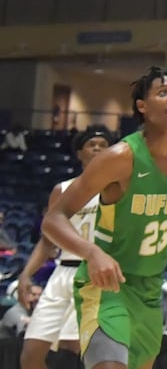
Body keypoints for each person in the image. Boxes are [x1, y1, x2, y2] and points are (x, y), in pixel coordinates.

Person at [41, 67, 167, 369]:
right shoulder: (119, 157)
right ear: (142, 106)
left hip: (149, 288)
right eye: (164, 93)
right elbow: (53, 219)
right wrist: (92, 253)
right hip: (106, 286)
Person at [19, 125, 115, 369]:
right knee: (30, 356)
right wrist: (26, 274)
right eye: (91, 145)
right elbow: (47, 240)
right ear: (79, 153)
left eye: (103, 146)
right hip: (61, 272)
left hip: (92, 274)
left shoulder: (117, 189)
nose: (97, 149)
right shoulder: (62, 190)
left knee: (72, 351)